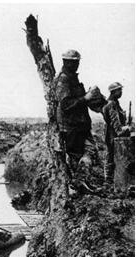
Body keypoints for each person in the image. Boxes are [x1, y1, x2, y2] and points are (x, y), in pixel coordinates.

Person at [54, 49, 102, 192]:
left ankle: (81, 182)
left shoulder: (72, 79)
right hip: (71, 127)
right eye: (74, 62)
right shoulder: (63, 80)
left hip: (80, 126)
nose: (76, 65)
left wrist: (92, 97)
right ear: (66, 62)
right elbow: (66, 105)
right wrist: (85, 98)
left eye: (77, 62)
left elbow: (78, 102)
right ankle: (78, 186)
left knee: (90, 152)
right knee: (77, 157)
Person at [102, 82, 130, 184]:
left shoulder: (114, 103)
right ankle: (109, 180)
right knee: (112, 155)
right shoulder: (111, 104)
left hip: (112, 133)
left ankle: (110, 180)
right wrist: (127, 128)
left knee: (111, 155)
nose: (121, 92)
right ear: (114, 92)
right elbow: (116, 125)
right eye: (119, 90)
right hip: (112, 134)